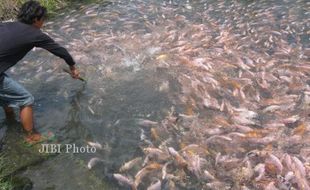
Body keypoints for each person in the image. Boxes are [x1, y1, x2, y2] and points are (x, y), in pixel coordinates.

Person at [0, 1, 80, 143]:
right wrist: (73, 67)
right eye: (43, 19)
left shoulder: (5, 25)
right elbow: (60, 51)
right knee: (26, 99)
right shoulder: (35, 34)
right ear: (36, 19)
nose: (43, 23)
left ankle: (10, 117)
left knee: (8, 90)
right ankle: (32, 137)